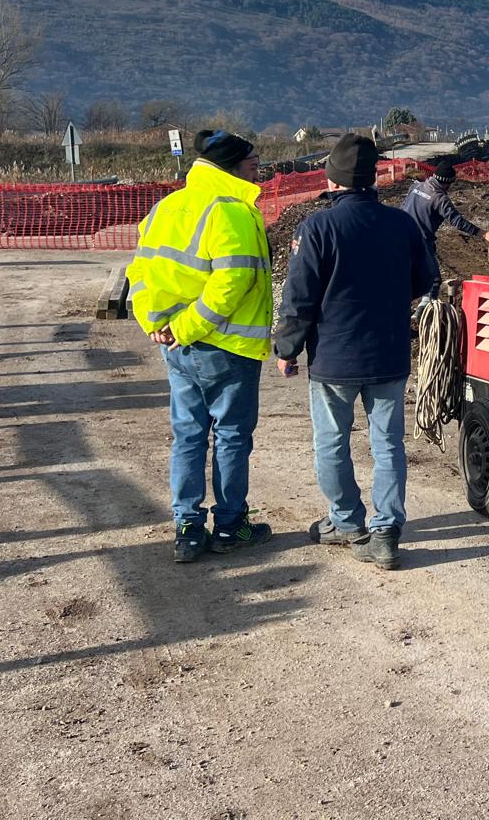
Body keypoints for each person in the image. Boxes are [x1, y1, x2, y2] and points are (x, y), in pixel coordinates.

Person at [273, 134, 437, 570]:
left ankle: (346, 521)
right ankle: (386, 532)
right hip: (388, 354)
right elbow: (426, 282)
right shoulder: (402, 225)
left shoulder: (318, 229)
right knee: (388, 445)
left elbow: (299, 298)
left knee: (331, 442)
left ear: (332, 178)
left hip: (334, 359)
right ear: (373, 179)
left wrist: (287, 348)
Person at [127, 129, 274, 564]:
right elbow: (235, 279)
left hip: (177, 348)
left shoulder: (166, 207)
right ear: (231, 165)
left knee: (188, 436)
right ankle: (230, 526)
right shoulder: (231, 211)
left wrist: (156, 325)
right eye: (251, 159)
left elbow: (141, 272)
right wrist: (187, 327)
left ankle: (188, 528)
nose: (258, 165)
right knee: (230, 437)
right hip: (226, 347)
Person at [402, 158, 489, 302]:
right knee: (433, 280)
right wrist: (483, 233)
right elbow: (458, 222)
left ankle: (404, 310)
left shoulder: (416, 187)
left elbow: (403, 208)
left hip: (401, 237)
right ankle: (425, 315)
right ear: (447, 182)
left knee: (405, 279)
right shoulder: (440, 199)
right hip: (420, 243)